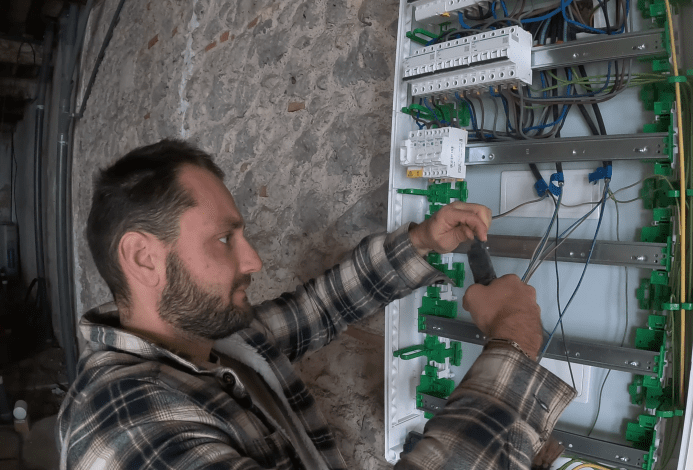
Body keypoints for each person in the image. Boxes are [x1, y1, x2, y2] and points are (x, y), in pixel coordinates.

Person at [57, 138, 575, 470]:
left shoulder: (206, 340)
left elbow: (317, 311)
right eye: (224, 239)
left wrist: (421, 242)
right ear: (143, 257)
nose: (254, 260)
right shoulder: (125, 425)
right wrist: (514, 338)